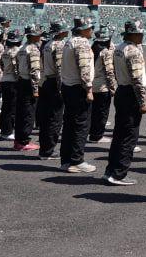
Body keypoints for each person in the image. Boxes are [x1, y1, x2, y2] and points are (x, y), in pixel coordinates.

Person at [104, 20, 146, 186]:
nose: (142, 35)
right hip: (131, 93)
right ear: (133, 34)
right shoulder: (133, 51)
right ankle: (119, 173)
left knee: (119, 134)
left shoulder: (119, 48)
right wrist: (143, 101)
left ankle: (111, 170)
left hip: (122, 90)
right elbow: (137, 79)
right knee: (129, 135)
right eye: (140, 33)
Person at [60, 16, 97, 173]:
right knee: (81, 125)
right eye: (90, 28)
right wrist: (89, 89)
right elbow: (84, 68)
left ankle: (66, 160)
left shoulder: (69, 42)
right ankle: (76, 160)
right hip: (78, 88)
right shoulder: (82, 43)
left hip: (68, 86)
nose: (92, 31)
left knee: (69, 124)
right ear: (83, 30)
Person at [37, 22, 68, 160]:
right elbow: (60, 68)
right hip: (55, 82)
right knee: (55, 118)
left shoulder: (48, 45)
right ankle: (48, 150)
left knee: (46, 117)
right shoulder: (59, 46)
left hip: (46, 81)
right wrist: (62, 89)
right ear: (60, 32)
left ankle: (44, 148)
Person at [13, 25, 43, 152]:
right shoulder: (33, 49)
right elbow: (35, 71)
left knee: (20, 112)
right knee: (28, 113)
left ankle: (18, 140)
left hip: (21, 81)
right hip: (29, 83)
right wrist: (36, 88)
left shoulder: (21, 48)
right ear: (35, 35)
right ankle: (24, 141)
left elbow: (17, 66)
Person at [88, 27, 117, 144]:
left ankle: (92, 133)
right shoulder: (105, 52)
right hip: (102, 87)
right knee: (102, 113)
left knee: (93, 111)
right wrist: (113, 87)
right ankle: (97, 136)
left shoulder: (92, 48)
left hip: (92, 84)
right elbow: (109, 71)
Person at [0, 28, 21, 140]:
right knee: (12, 109)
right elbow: (17, 68)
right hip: (13, 81)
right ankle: (8, 132)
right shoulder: (16, 51)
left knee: (6, 108)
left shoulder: (5, 51)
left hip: (5, 79)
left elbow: (1, 65)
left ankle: (4, 131)